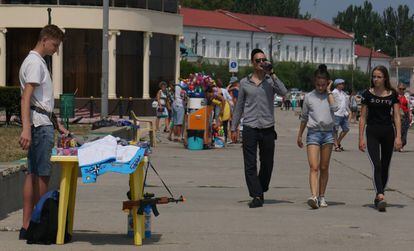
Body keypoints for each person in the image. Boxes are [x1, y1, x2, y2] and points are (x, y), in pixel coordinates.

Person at [18, 25, 67, 240]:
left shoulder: (35, 62)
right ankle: (39, 223)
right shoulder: (35, 63)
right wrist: (26, 128)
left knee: (33, 173)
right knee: (42, 176)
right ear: (45, 39)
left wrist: (57, 123)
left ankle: (28, 225)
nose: (56, 50)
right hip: (39, 127)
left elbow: (40, 102)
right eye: (55, 45)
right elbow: (26, 98)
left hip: (42, 122)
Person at [231, 48, 287, 208]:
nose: (261, 63)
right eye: (258, 60)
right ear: (252, 63)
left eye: (264, 60)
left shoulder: (270, 81)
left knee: (267, 162)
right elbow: (239, 106)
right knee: (250, 163)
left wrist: (273, 74)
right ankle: (256, 195)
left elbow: (284, 92)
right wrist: (234, 127)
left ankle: (261, 187)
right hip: (250, 127)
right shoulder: (244, 83)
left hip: (268, 127)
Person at [359, 65, 402, 212]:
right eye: (374, 76)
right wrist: (360, 138)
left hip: (388, 132)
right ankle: (381, 194)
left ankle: (379, 196)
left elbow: (396, 116)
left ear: (385, 78)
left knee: (385, 165)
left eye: (379, 77)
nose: (375, 79)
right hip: (372, 132)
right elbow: (363, 117)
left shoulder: (393, 94)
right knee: (376, 165)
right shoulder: (367, 94)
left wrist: (398, 137)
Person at [297, 64, 338, 209]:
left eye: (323, 84)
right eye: (318, 84)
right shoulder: (308, 97)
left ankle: (322, 196)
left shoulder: (331, 96)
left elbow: (335, 109)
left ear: (327, 83)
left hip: (328, 134)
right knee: (314, 167)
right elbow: (304, 117)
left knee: (324, 167)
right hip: (313, 134)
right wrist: (300, 135)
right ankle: (313, 196)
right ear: (314, 82)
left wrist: (329, 91)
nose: (320, 87)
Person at [332, 79, 350, 152]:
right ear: (337, 85)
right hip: (336, 114)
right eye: (341, 84)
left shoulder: (343, 93)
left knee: (346, 129)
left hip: (344, 113)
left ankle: (338, 142)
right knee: (335, 130)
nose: (343, 85)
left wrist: (348, 111)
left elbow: (345, 104)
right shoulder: (334, 92)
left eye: (343, 84)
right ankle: (336, 145)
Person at [397, 83, 411, 152]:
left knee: (404, 131)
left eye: (403, 89)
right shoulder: (395, 96)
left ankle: (402, 145)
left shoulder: (406, 96)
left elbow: (408, 106)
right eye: (400, 89)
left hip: (405, 115)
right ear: (398, 89)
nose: (402, 90)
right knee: (398, 131)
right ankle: (397, 145)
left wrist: (410, 115)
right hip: (397, 115)